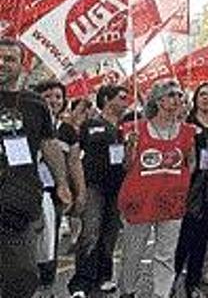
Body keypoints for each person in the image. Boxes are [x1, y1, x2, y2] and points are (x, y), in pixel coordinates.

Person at [0, 38, 70, 297]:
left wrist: (62, 182)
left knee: (21, 275)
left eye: (10, 59)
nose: (2, 64)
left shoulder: (35, 103)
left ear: (22, 64)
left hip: (18, 200)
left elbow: (49, 145)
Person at [117, 81, 197, 298]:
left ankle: (161, 293)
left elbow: (191, 163)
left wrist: (179, 183)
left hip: (172, 200)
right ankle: (128, 291)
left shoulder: (188, 131)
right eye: (172, 95)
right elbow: (126, 166)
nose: (178, 99)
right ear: (159, 100)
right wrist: (130, 149)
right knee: (133, 252)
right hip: (140, 199)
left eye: (180, 95)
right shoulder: (136, 128)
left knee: (166, 254)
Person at [67, 85, 129, 298]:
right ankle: (81, 281)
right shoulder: (91, 124)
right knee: (90, 233)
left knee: (110, 235)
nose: (126, 101)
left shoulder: (129, 126)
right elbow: (73, 147)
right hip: (94, 186)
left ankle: (103, 276)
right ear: (106, 99)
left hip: (117, 187)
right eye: (121, 97)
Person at [174, 82, 208, 296]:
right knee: (183, 237)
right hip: (190, 185)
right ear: (196, 98)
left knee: (202, 238)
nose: (205, 98)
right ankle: (172, 279)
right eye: (201, 94)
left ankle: (192, 284)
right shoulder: (187, 121)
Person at [32, 80, 87, 289]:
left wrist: (79, 192)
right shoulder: (23, 121)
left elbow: (74, 163)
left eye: (58, 96)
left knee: (49, 241)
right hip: (24, 191)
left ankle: (47, 286)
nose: (53, 101)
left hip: (54, 195)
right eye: (47, 96)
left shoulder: (67, 130)